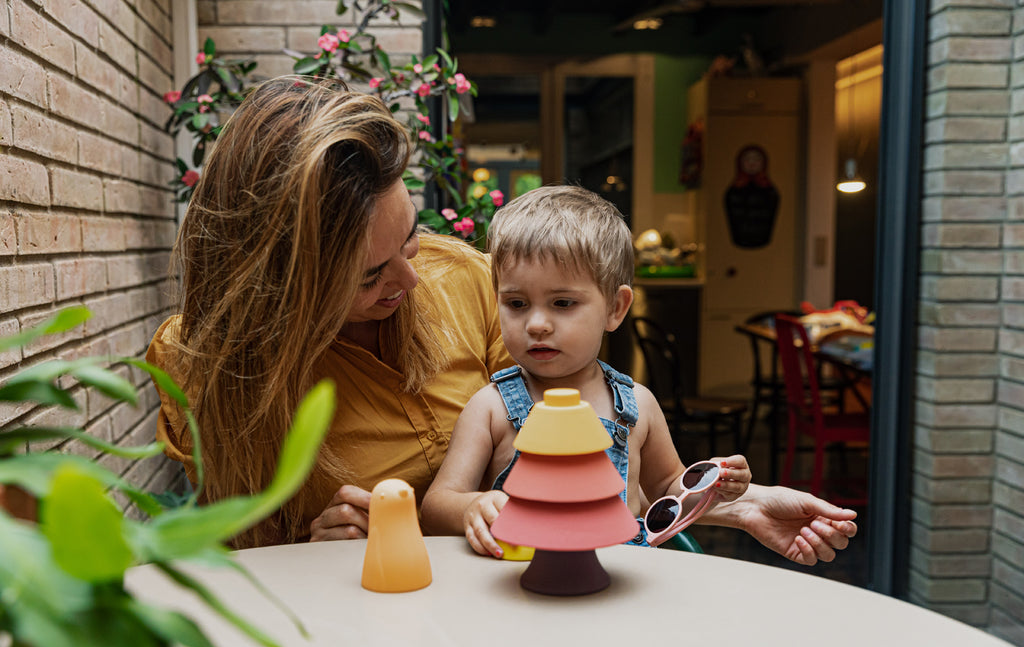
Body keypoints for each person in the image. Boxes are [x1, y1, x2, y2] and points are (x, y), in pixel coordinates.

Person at [147, 75, 858, 566]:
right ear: (282, 287)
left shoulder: (465, 282)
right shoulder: (207, 368)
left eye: (409, 239)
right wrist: (308, 552)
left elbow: (588, 462)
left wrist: (737, 502)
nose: (412, 280)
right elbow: (233, 567)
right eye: (368, 276)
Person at [421, 186, 752, 557]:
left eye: (562, 303)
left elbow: (668, 488)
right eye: (516, 303)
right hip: (521, 579)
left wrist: (711, 485)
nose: (537, 324)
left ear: (615, 308)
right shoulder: (491, 408)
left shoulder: (637, 406)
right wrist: (471, 507)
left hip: (620, 580)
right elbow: (436, 505)